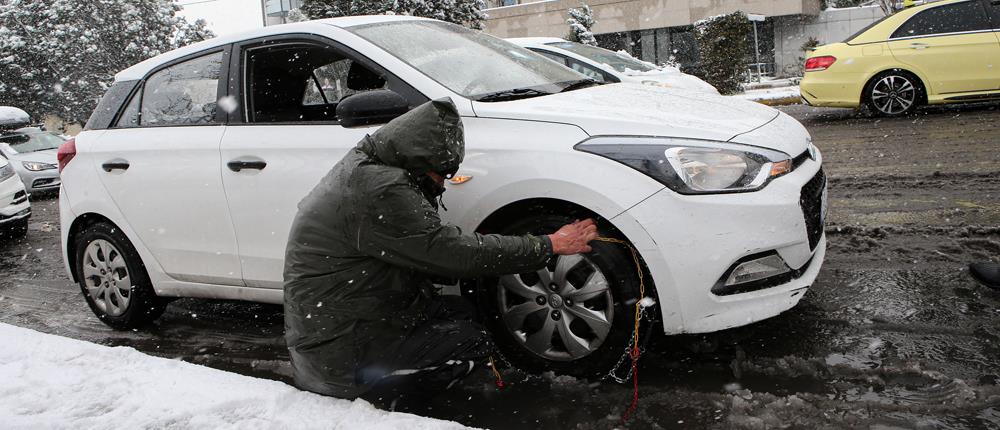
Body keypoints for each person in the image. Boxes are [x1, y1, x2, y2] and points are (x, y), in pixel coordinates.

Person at [283, 97, 598, 405]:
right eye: (442, 174)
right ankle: (379, 404)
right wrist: (549, 245)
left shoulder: (368, 168)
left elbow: (432, 253)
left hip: (343, 329)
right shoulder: (380, 189)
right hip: (339, 359)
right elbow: (450, 254)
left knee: (460, 311)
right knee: (472, 342)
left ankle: (388, 374)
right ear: (421, 160)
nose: (444, 185)